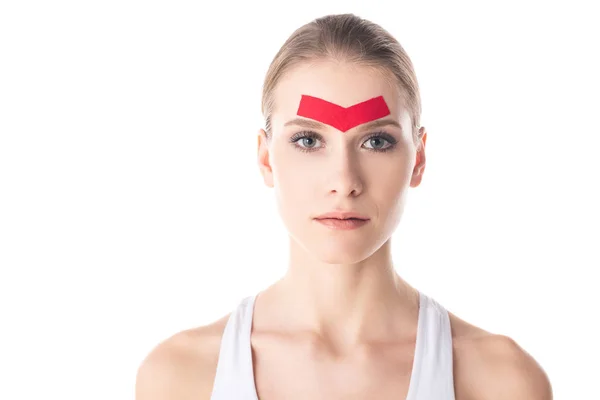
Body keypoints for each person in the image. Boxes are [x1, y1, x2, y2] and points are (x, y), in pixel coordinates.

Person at [136, 13, 552, 399]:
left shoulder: (499, 379)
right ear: (265, 159)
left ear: (418, 159)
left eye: (376, 141)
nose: (344, 182)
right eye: (308, 140)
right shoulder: (181, 376)